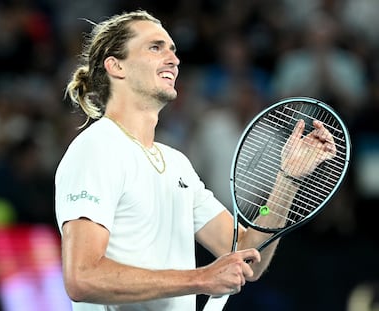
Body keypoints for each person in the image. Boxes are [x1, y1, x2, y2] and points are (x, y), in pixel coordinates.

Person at [54, 10, 336, 311]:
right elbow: (82, 278)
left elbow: (246, 251)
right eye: (155, 47)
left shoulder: (177, 165)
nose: (173, 60)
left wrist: (286, 179)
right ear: (116, 65)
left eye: (173, 50)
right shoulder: (97, 148)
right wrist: (201, 278)